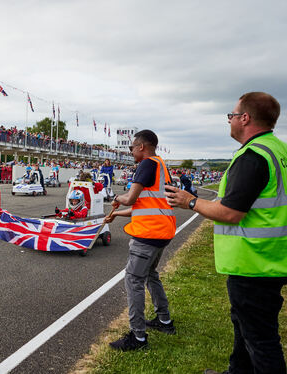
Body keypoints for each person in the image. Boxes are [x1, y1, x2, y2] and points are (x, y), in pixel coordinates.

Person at [165, 92, 287, 374]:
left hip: (254, 261)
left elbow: (232, 213)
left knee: (261, 339)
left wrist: (190, 202)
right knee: (244, 325)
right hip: (270, 257)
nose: (230, 120)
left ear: (245, 118)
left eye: (231, 115)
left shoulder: (253, 155)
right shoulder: (277, 150)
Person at [104, 129, 176, 351]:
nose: (131, 151)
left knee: (133, 279)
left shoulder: (146, 164)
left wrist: (116, 199)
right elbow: (144, 206)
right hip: (162, 231)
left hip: (148, 234)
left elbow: (130, 198)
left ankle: (138, 337)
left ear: (142, 146)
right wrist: (116, 214)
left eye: (131, 147)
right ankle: (165, 321)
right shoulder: (161, 166)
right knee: (151, 275)